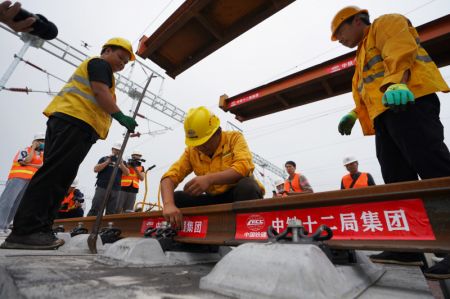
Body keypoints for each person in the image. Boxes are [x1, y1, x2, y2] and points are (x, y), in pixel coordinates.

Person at [331, 6, 450, 277]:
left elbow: (399, 51)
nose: (339, 40)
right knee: (397, 180)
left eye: (340, 32)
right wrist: (354, 113)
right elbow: (369, 89)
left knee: (434, 167)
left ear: (357, 21)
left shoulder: (385, 24)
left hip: (410, 100)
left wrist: (399, 82)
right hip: (385, 115)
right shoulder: (360, 55)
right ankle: (409, 248)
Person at [1, 37, 138, 250]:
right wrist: (121, 116)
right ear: (107, 50)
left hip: (76, 125)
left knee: (60, 177)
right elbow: (99, 91)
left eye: (125, 63)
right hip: (74, 122)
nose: (121, 64)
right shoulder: (99, 65)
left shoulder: (103, 70)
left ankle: (39, 229)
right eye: (120, 58)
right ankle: (27, 231)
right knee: (55, 175)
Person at [161, 106, 264, 228]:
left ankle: (250, 231)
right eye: (197, 144)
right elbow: (170, 177)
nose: (200, 148)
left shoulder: (234, 138)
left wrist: (209, 179)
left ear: (218, 132)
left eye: (205, 143)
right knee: (177, 198)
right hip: (213, 199)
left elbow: (243, 167)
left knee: (248, 186)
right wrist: (168, 204)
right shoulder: (192, 151)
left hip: (237, 196)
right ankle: (193, 243)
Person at [0, 132, 44, 233]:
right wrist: (33, 148)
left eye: (44, 141)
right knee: (7, 202)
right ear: (35, 142)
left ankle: (5, 226)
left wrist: (29, 164)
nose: (43, 143)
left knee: (16, 205)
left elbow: (41, 166)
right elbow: (26, 160)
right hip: (17, 178)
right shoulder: (25, 150)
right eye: (41, 141)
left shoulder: (42, 155)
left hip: (29, 181)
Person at [87, 142, 129, 216]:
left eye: (119, 150)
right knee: (95, 208)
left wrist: (121, 163)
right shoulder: (104, 158)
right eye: (115, 149)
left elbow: (127, 173)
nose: (117, 152)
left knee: (111, 212)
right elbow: (96, 169)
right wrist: (108, 161)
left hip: (115, 189)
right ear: (112, 149)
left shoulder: (123, 162)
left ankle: (106, 227)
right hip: (102, 187)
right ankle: (89, 225)